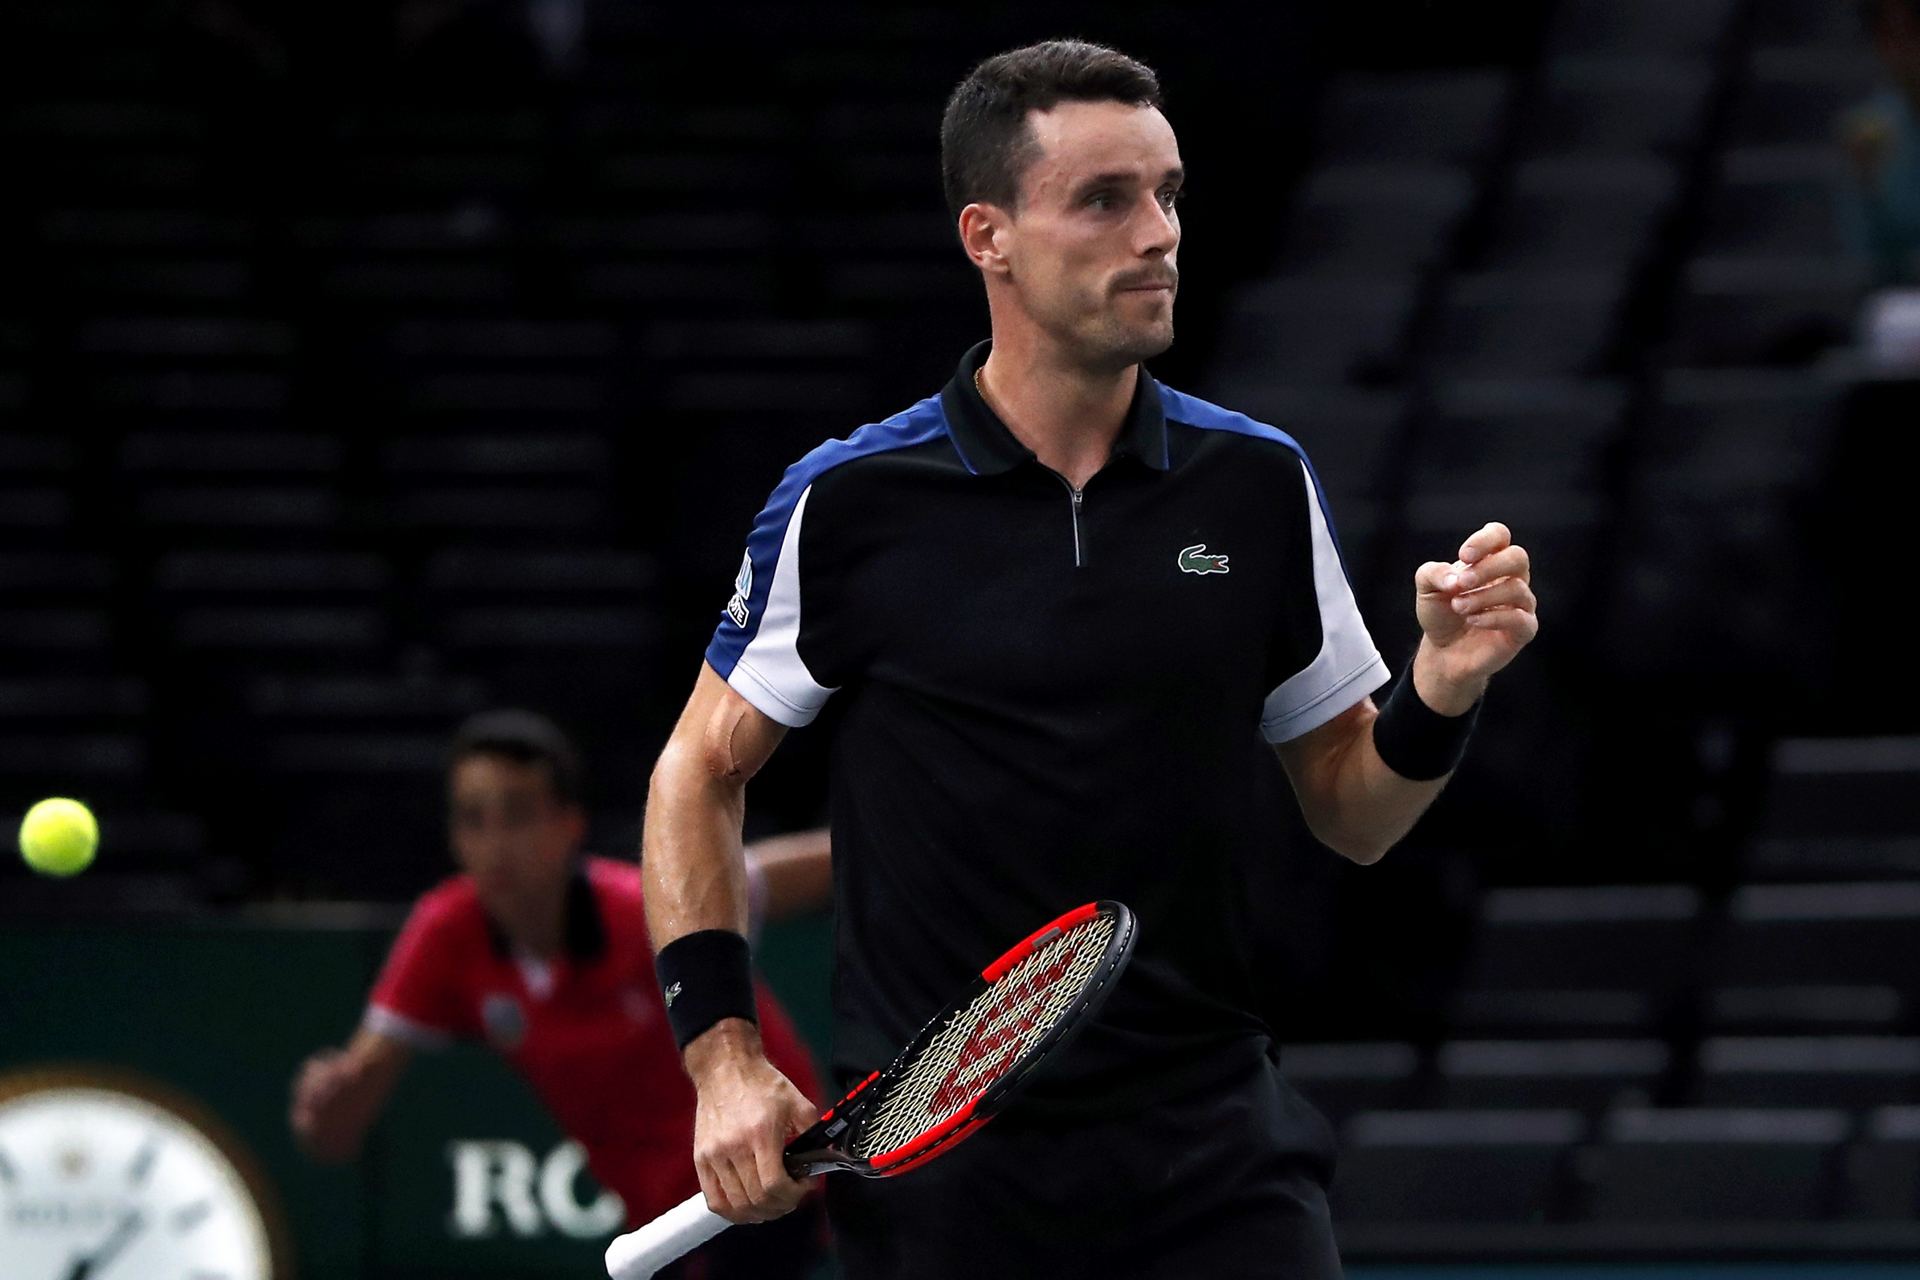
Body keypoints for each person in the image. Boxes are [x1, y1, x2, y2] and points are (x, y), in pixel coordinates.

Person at [641, 39, 1539, 1280]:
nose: (1159, 232)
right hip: (947, 1182)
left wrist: (1442, 689)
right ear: (988, 235)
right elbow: (697, 769)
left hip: (1216, 1151)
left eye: (1168, 193)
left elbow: (1356, 813)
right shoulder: (847, 504)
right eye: (1105, 199)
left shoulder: (1259, 485)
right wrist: (722, 1056)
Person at [290, 709, 830, 1279]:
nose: (496, 844)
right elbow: (340, 1125)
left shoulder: (647, 907)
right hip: (655, 1217)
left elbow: (791, 871)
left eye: (518, 814)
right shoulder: (444, 934)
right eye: (474, 819)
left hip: (766, 1169)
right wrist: (328, 1105)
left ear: (569, 823)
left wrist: (912, 850)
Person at [1842, 0, 1920, 289]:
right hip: (1900, 305)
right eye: (1889, 37)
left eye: (1913, 33)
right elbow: (1867, 258)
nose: (1902, 52)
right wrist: (1866, 182)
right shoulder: (1870, 130)